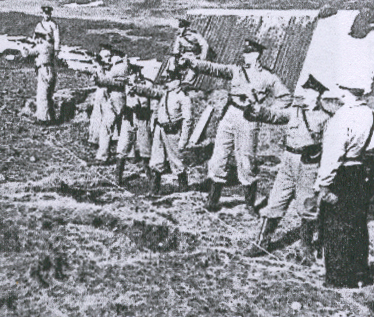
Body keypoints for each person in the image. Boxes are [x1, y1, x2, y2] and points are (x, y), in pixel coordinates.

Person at [185, 39, 291, 213]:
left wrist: (265, 111)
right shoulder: (236, 70)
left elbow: (285, 98)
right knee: (218, 157)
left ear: (256, 55)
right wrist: (195, 63)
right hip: (230, 113)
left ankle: (250, 205)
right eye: (244, 52)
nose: (244, 56)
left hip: (249, 119)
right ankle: (212, 201)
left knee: (246, 161)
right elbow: (214, 68)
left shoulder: (268, 77)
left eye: (248, 53)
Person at [242, 75, 337, 262]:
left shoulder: (326, 118)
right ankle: (261, 243)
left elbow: (331, 147)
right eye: (305, 91)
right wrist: (255, 108)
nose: (306, 95)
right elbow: (273, 115)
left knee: (307, 206)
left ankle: (306, 249)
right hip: (287, 162)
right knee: (275, 201)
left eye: (311, 92)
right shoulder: (295, 112)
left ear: (318, 95)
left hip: (309, 166)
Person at [314, 84, 374, 288]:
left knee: (336, 225)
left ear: (344, 92)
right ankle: (360, 272)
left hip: (343, 172)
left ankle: (338, 278)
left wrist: (324, 184)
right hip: (363, 172)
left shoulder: (343, 117)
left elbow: (333, 155)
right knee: (357, 223)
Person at [131, 66, 193, 194]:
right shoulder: (166, 93)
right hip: (160, 130)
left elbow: (188, 120)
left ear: (178, 81)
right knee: (156, 160)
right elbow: (152, 92)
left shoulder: (183, 97)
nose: (167, 82)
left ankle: (184, 190)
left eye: (170, 79)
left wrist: (183, 140)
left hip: (172, 131)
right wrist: (136, 88)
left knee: (177, 161)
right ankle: (154, 190)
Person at [114, 63, 154, 185]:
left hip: (143, 119)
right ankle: (118, 178)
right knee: (122, 148)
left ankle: (150, 177)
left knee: (145, 150)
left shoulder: (148, 85)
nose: (134, 75)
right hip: (129, 119)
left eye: (136, 72)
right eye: (131, 72)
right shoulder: (126, 85)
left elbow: (152, 104)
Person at [92, 49, 130, 165]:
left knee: (106, 127)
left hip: (115, 98)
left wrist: (98, 76)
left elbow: (109, 80)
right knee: (123, 127)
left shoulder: (119, 67)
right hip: (118, 98)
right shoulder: (122, 66)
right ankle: (130, 154)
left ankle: (103, 156)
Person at [21, 31, 57, 125]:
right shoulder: (50, 46)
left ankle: (43, 119)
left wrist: (24, 48)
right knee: (48, 96)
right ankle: (50, 117)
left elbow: (27, 53)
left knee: (42, 95)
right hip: (51, 70)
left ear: (40, 38)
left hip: (44, 70)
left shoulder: (41, 46)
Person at [168, 18, 209, 86]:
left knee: (193, 67)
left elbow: (204, 45)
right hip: (185, 55)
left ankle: (187, 82)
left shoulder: (194, 35)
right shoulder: (179, 37)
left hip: (194, 55)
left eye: (181, 27)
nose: (180, 29)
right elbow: (176, 48)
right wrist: (177, 55)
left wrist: (202, 57)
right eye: (179, 27)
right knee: (172, 60)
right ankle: (171, 77)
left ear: (186, 27)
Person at [87, 45, 113, 146]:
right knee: (98, 115)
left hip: (107, 93)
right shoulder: (99, 68)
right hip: (101, 92)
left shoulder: (111, 68)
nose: (109, 58)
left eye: (110, 56)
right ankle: (95, 137)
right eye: (106, 56)